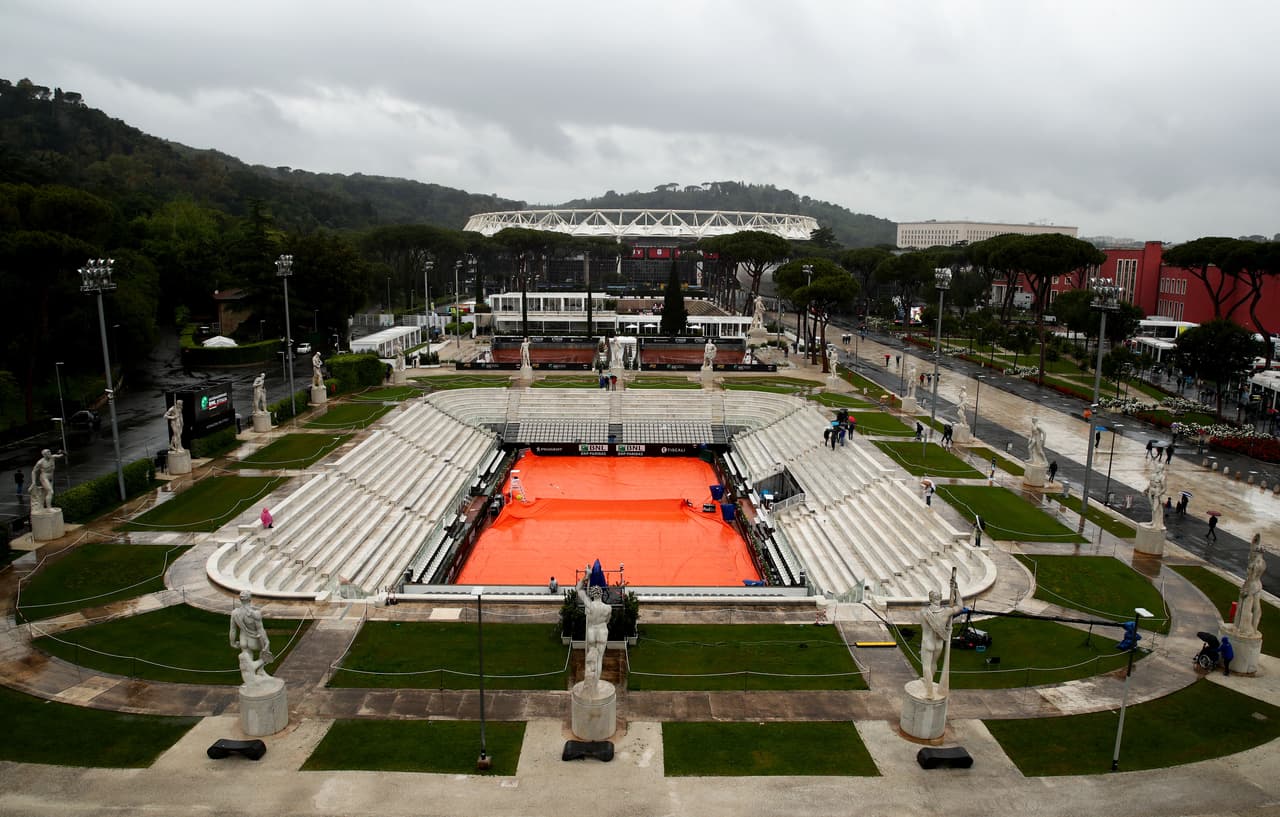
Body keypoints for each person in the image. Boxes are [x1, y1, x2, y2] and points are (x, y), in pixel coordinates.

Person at [918, 582, 965, 698]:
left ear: (930, 598)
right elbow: (960, 606)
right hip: (939, 644)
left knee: (926, 667)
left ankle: (929, 693)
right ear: (941, 598)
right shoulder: (946, 612)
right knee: (934, 663)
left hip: (927, 643)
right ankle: (928, 681)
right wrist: (956, 590)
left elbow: (923, 627)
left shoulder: (923, 612)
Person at [229, 590, 274, 687]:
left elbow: (233, 630)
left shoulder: (235, 613)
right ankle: (261, 670)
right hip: (253, 639)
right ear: (250, 599)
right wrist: (266, 641)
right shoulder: (255, 613)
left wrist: (232, 642)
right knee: (265, 650)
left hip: (243, 639)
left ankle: (250, 678)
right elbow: (260, 629)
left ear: (240, 600)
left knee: (247, 657)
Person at [577, 572, 612, 692]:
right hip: (602, 631)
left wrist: (586, 576)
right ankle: (595, 685)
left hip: (591, 631)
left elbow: (578, 589)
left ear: (592, 594)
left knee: (591, 659)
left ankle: (590, 683)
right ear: (601, 594)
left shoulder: (589, 605)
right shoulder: (608, 608)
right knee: (599, 659)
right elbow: (607, 621)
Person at [1236, 535, 1266, 636]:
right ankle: (1254, 628)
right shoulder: (1262, 563)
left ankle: (1241, 627)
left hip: (1252, 584)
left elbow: (1251, 577)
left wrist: (1245, 589)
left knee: (1244, 606)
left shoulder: (1254, 564)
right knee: (1257, 607)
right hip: (1258, 584)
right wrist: (1256, 541)